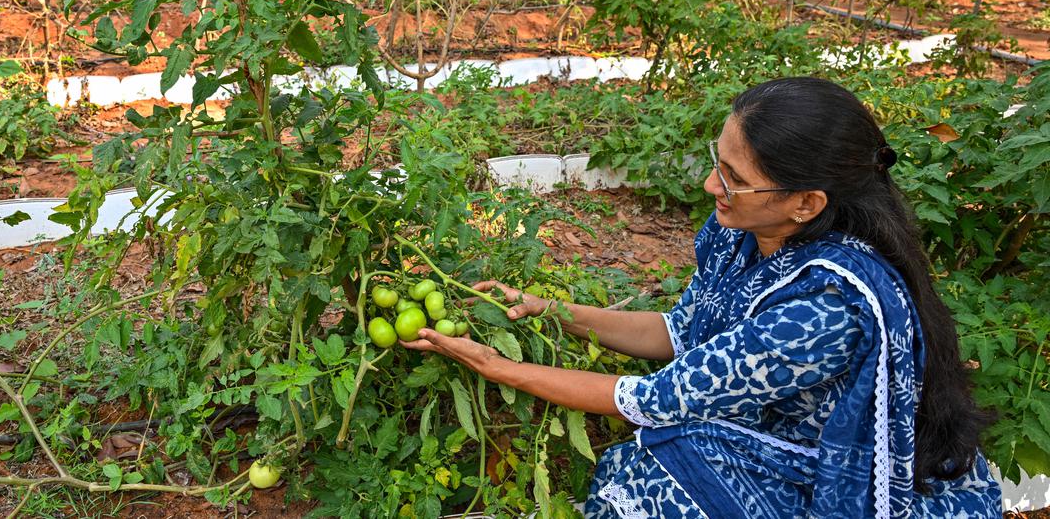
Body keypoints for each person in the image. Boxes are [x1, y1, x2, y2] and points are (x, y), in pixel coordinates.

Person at [400, 77, 1002, 517]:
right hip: (775, 433)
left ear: (806, 202)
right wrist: (552, 309)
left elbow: (651, 398)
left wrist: (497, 366)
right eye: (719, 163)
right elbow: (680, 331)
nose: (712, 185)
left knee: (655, 476)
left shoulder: (824, 307)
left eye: (736, 179)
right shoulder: (744, 232)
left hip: (830, 475)